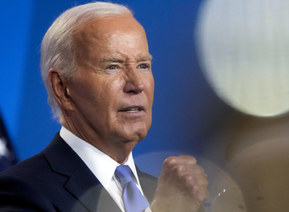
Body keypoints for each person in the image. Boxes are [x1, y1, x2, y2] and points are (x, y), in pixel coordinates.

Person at [0, 2, 208, 212]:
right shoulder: (21, 192)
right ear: (62, 87)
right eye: (112, 66)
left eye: (143, 65)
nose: (137, 85)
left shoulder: (172, 195)